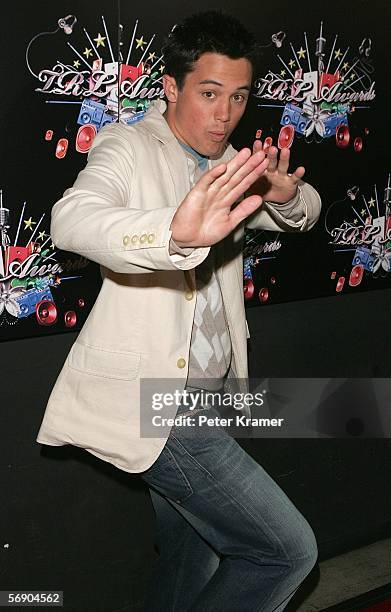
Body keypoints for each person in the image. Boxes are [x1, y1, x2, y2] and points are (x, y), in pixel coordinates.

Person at [36, 10, 322, 611]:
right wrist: (172, 230)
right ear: (171, 88)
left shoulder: (232, 162)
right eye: (209, 93)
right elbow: (72, 219)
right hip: (158, 402)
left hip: (216, 391)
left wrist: (287, 192)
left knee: (195, 553)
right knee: (286, 551)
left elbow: (307, 213)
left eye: (239, 96)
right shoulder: (128, 145)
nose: (225, 114)